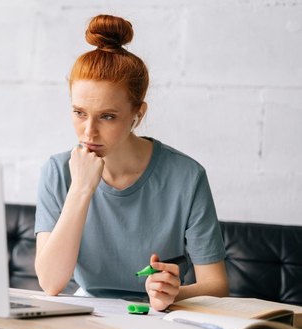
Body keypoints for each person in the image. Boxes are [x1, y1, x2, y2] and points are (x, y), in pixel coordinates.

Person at [34, 14, 229, 312]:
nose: (89, 132)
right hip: (86, 312)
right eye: (79, 112)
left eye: (107, 116)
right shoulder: (58, 171)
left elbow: (216, 284)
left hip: (159, 313)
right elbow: (50, 283)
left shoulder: (186, 176)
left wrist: (171, 293)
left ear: (138, 114)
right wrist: (81, 190)